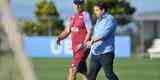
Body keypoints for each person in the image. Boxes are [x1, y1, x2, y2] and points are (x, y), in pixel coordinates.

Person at [56, 0, 92, 80]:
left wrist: (84, 44)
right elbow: (67, 31)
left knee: (72, 70)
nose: (77, 6)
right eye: (76, 4)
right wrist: (59, 38)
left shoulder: (85, 15)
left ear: (83, 5)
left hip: (82, 48)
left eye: (79, 4)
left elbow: (90, 31)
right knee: (83, 72)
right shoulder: (72, 17)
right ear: (73, 5)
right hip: (76, 50)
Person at [86, 1, 119, 80]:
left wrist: (92, 41)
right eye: (94, 10)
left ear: (103, 10)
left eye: (97, 10)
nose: (95, 12)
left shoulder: (110, 19)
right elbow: (96, 34)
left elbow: (104, 34)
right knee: (90, 77)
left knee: (109, 74)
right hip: (95, 52)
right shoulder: (98, 20)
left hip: (106, 52)